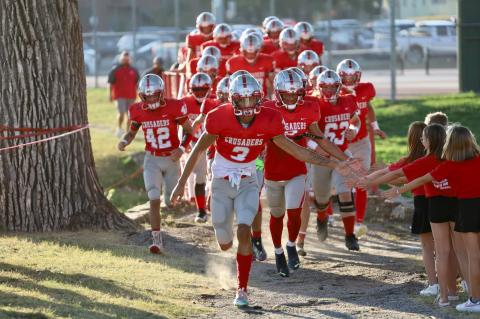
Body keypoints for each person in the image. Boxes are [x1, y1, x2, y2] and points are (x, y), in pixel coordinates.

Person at [170, 73, 353, 307]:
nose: (247, 106)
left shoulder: (269, 118)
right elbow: (196, 150)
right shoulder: (218, 117)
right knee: (224, 241)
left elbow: (299, 151)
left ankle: (242, 289)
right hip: (221, 182)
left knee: (244, 229)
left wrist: (336, 163)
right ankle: (232, 251)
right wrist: (179, 183)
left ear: (259, 99)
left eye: (252, 100)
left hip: (248, 179)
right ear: (232, 100)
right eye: (242, 100)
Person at [263, 69, 354, 277]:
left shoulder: (309, 109)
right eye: (286, 94)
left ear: (302, 93)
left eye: (295, 94)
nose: (291, 97)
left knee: (294, 212)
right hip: (272, 170)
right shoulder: (267, 109)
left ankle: (291, 245)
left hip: (297, 169)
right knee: (277, 214)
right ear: (278, 93)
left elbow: (321, 140)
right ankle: (277, 252)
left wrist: (346, 160)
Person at [382, 125, 480, 313]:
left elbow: (421, 180)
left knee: (470, 255)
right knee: (471, 255)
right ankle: (472, 296)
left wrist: (398, 191)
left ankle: (468, 299)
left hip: (467, 208)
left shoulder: (451, 165)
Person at [355, 121, 438, 297]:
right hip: (443, 201)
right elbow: (391, 175)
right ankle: (458, 281)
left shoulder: (412, 160)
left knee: (427, 246)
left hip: (423, 202)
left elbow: (394, 175)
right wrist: (370, 178)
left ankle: (434, 284)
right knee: (446, 246)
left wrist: (368, 180)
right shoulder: (440, 157)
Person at [117, 74, 193, 254]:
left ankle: (171, 208)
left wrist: (181, 149)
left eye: (154, 95)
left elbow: (189, 130)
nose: (151, 99)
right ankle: (156, 240)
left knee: (170, 201)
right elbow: (132, 132)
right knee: (153, 198)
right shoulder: (137, 110)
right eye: (147, 96)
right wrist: (124, 141)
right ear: (141, 96)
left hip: (171, 158)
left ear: (161, 93)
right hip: (151, 158)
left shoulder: (174, 106)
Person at [309, 70, 362, 251]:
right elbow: (308, 133)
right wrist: (316, 149)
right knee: (322, 198)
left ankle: (350, 235)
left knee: (345, 193)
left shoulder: (348, 100)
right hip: (322, 157)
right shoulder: (314, 103)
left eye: (334, 86)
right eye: (325, 86)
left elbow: (356, 119)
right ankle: (321, 217)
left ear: (339, 86)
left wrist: (354, 129)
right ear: (318, 86)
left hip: (342, 152)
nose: (330, 90)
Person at [336, 59, 386, 238]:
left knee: (362, 180)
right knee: (340, 182)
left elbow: (369, 107)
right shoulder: (335, 92)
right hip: (341, 143)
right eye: (346, 77)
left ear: (359, 76)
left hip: (362, 140)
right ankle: (327, 216)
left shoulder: (366, 89)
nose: (349, 81)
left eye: (352, 77)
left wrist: (375, 126)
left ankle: (359, 221)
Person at [182, 72, 220, 223]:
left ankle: (216, 206)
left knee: (215, 175)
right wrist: (182, 143)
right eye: (196, 90)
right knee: (200, 177)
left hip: (214, 143)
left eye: (202, 90)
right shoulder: (184, 102)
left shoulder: (214, 103)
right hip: (194, 143)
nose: (199, 94)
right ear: (190, 89)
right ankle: (201, 210)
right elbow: (182, 125)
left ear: (210, 89)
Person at [108, 51, 140, 138]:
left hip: (131, 96)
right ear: (120, 59)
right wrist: (110, 95)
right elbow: (110, 84)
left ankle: (127, 132)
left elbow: (137, 84)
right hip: (119, 96)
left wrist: (139, 95)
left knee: (130, 115)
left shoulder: (134, 70)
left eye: (127, 59)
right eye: (124, 59)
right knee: (121, 113)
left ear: (130, 60)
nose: (126, 61)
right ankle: (119, 128)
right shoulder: (115, 70)